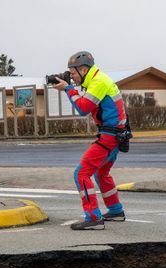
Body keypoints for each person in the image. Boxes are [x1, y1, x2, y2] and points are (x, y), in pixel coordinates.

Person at [52, 51, 129, 230]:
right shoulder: (96, 80)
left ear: (84, 70)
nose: (71, 77)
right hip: (114, 134)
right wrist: (70, 88)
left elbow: (83, 108)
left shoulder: (98, 82)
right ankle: (116, 211)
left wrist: (68, 89)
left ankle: (93, 218)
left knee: (81, 173)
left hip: (110, 136)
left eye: (72, 73)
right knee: (101, 173)